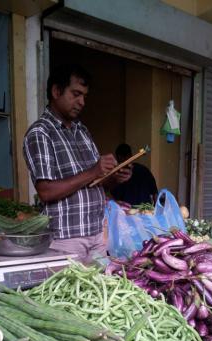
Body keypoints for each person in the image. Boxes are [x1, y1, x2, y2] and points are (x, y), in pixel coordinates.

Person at [23, 64, 131, 263]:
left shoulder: (82, 131)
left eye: (84, 96)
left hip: (98, 234)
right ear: (56, 91)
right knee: (70, 293)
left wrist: (114, 177)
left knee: (101, 292)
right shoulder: (40, 133)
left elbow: (95, 181)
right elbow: (46, 191)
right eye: (76, 94)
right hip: (67, 239)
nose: (82, 102)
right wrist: (94, 170)